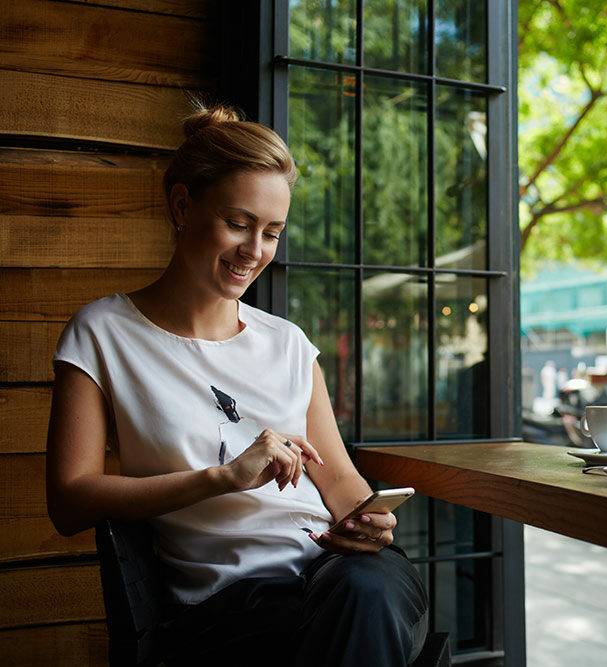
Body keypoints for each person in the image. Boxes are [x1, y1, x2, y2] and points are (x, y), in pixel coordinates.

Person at [45, 104, 428, 666]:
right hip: (227, 601)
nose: (256, 250)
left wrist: (367, 523)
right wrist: (223, 477)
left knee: (365, 591)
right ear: (182, 205)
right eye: (238, 223)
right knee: (342, 623)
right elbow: (69, 499)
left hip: (340, 574)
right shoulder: (104, 333)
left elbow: (338, 476)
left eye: (272, 232)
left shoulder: (289, 343)